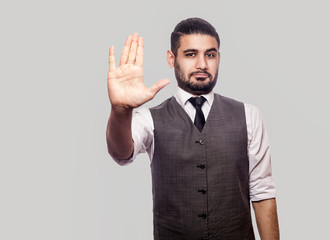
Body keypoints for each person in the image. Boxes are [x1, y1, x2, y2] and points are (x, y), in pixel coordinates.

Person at [106, 17, 279, 240]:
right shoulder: (149, 119)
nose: (202, 64)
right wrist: (121, 110)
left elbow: (262, 192)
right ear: (171, 58)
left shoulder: (249, 116)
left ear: (219, 58)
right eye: (190, 54)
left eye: (210, 54)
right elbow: (120, 152)